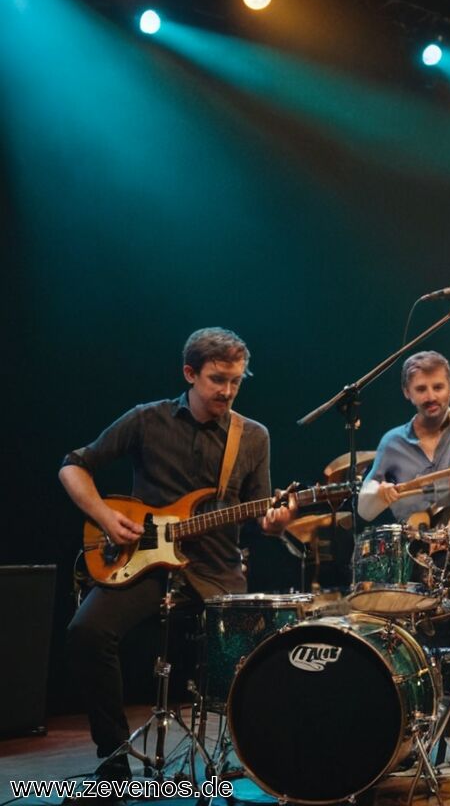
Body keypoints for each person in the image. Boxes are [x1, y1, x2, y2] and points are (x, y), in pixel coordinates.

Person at [61, 327, 295, 780]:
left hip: (215, 573)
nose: (227, 391)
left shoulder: (253, 437)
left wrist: (276, 521)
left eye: (236, 381)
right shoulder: (147, 420)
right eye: (217, 379)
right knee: (85, 632)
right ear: (190, 373)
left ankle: (251, 757)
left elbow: (262, 512)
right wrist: (107, 519)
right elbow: (73, 466)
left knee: (257, 657)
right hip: (143, 566)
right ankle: (113, 765)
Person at [358, 350, 450, 526]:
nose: (431, 397)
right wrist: (378, 493)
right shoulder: (392, 442)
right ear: (407, 392)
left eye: (438, 387)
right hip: (414, 548)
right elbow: (364, 511)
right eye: (421, 389)